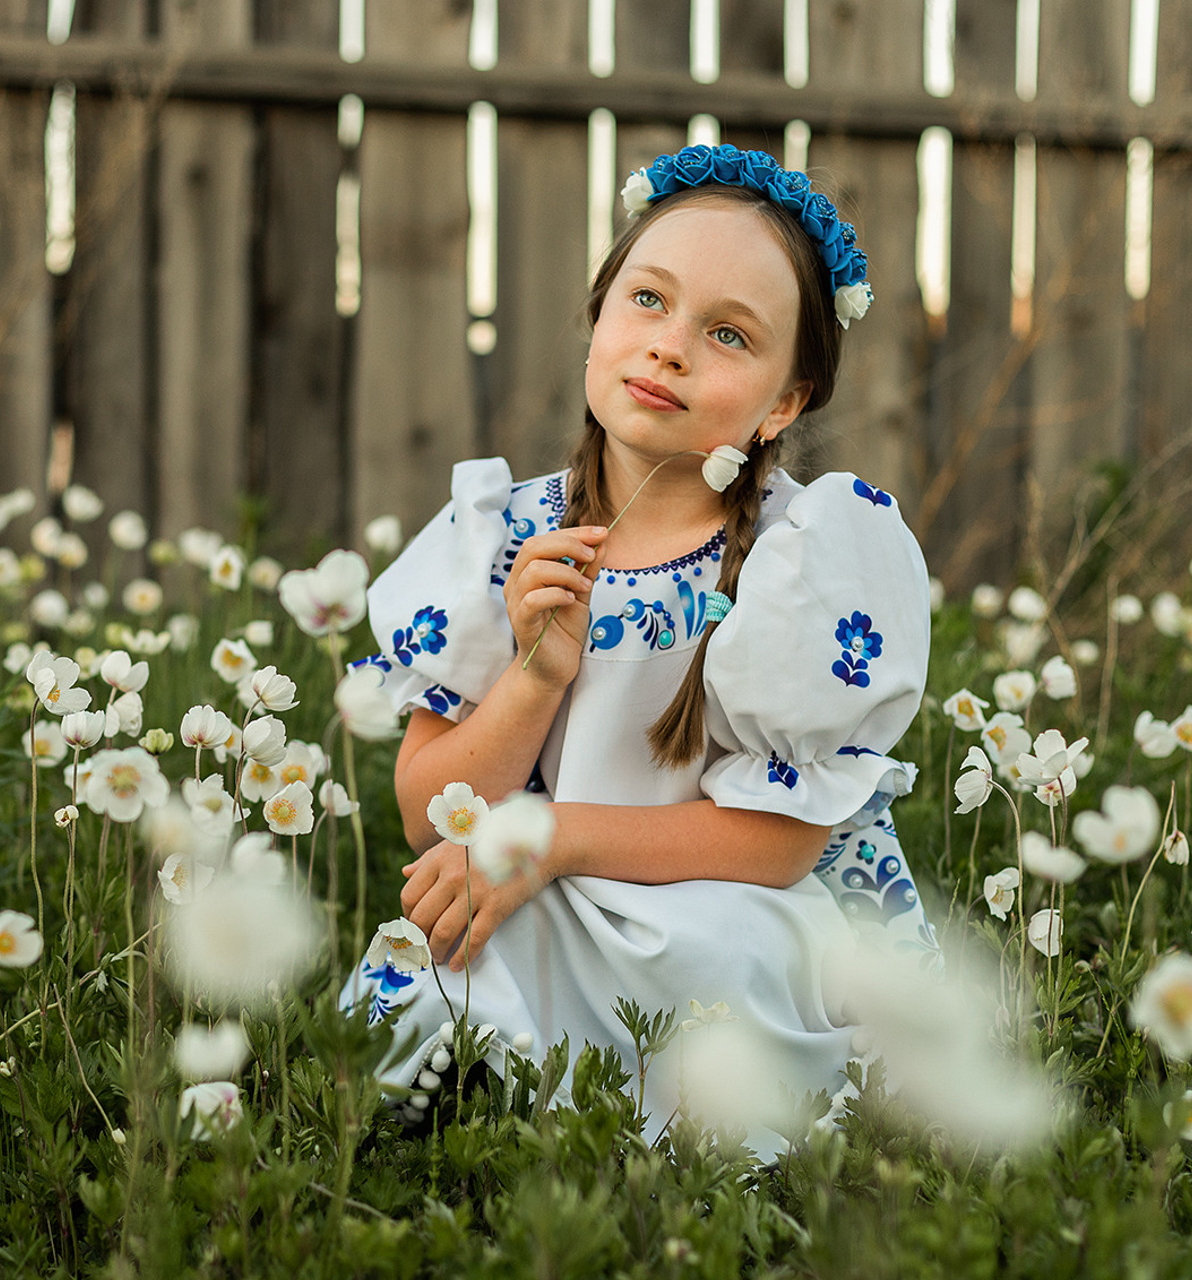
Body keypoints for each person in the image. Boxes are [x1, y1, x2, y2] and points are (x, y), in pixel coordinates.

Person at [341, 145, 937, 1152]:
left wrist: (550, 833)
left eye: (728, 334)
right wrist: (536, 675)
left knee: (721, 954)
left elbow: (781, 846)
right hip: (534, 881)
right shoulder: (501, 540)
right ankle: (462, 1112)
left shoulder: (797, 561)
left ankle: (667, 1132)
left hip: (725, 904)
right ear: (598, 314)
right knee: (444, 936)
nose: (670, 348)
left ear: (783, 402)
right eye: (647, 300)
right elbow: (425, 810)